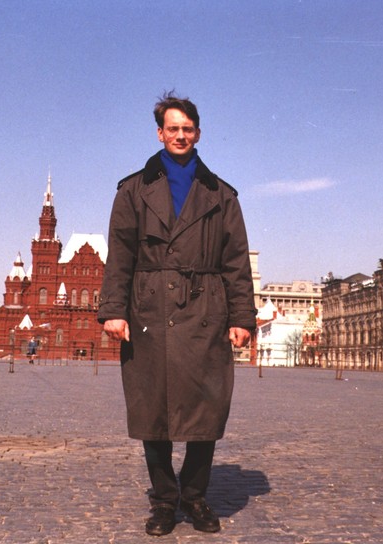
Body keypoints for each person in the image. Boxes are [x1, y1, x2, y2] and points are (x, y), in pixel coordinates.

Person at [98, 92, 256, 536]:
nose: (180, 135)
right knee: (154, 410)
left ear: (198, 133)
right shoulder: (132, 189)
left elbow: (236, 262)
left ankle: (197, 496)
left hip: (206, 309)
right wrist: (113, 310)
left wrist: (242, 318)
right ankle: (165, 501)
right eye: (173, 128)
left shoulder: (221, 195)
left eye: (188, 129)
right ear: (160, 133)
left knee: (205, 409)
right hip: (149, 310)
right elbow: (120, 255)